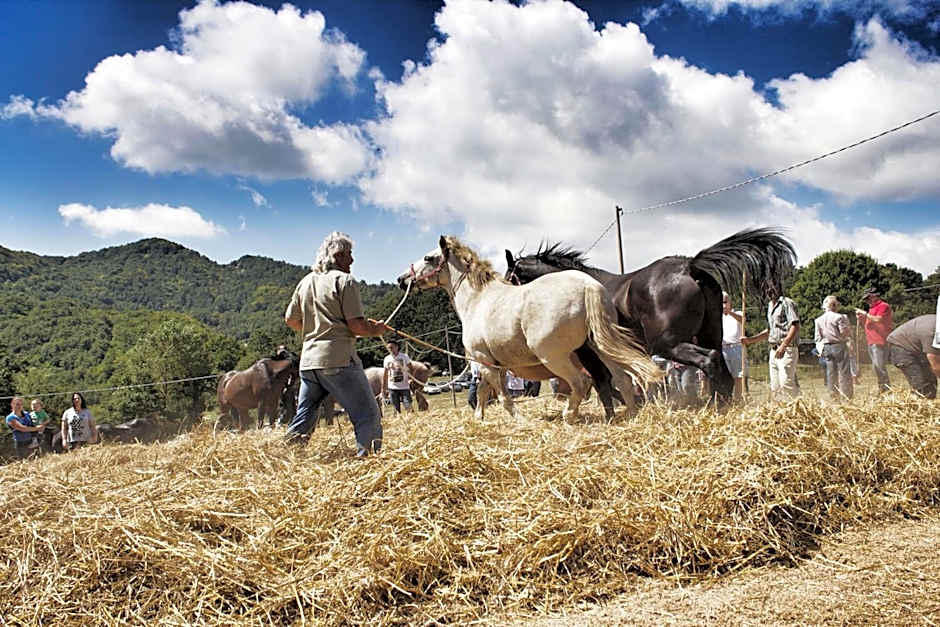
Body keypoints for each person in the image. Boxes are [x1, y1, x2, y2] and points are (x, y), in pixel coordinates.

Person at [284, 232, 389, 456]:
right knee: (368, 415)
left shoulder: (305, 282)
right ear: (338, 256)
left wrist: (317, 330)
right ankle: (370, 464)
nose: (352, 260)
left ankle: (287, 458)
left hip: (309, 363)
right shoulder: (345, 281)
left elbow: (291, 320)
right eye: (349, 254)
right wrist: (376, 329)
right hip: (338, 360)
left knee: (305, 416)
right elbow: (357, 327)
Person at [743, 280, 800, 399]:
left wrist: (783, 346)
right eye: (766, 289)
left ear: (778, 287)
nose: (769, 291)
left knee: (786, 383)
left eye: (771, 288)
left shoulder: (786, 303)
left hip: (787, 350)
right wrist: (750, 340)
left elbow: (795, 325)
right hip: (773, 350)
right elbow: (770, 331)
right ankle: (780, 411)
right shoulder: (770, 306)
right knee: (775, 387)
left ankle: (794, 410)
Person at [885, 314, 939, 399]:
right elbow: (935, 365)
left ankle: (929, 403)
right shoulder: (932, 332)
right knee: (921, 384)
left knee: (931, 382)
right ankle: (920, 407)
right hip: (900, 347)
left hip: (917, 350)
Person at [814, 295, 853, 400]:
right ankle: (846, 397)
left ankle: (833, 396)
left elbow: (817, 337)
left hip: (826, 347)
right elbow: (844, 333)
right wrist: (848, 329)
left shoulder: (818, 320)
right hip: (839, 345)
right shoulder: (839, 317)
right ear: (835, 305)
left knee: (831, 373)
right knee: (844, 372)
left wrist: (820, 349)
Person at [855, 288, 893, 394]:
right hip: (871, 341)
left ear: (874, 296)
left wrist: (865, 314)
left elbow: (878, 319)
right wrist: (862, 318)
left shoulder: (883, 306)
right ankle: (883, 388)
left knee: (879, 367)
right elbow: (869, 323)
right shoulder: (872, 308)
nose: (867, 301)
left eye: (868, 298)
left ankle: (886, 390)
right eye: (866, 299)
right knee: (876, 367)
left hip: (880, 341)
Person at [721, 291, 746, 402]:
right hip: (723, 349)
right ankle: (727, 399)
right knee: (725, 377)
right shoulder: (718, 316)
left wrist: (730, 312)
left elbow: (743, 320)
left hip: (737, 347)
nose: (723, 305)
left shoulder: (738, 313)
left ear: (730, 302)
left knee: (738, 377)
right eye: (721, 302)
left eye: (725, 302)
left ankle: (738, 399)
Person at [382, 339, 413, 414]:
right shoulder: (386, 359)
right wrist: (384, 388)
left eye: (391, 347)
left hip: (404, 386)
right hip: (392, 387)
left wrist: (410, 378)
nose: (390, 349)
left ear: (396, 347)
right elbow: (385, 374)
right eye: (388, 348)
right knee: (396, 409)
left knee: (408, 406)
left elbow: (411, 368)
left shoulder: (404, 356)